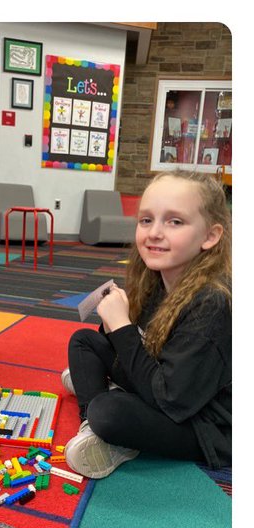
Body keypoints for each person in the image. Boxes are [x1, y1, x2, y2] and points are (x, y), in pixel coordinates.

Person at [62, 169, 231, 478]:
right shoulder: (157, 277)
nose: (154, 232)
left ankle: (102, 416)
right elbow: (134, 348)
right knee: (83, 341)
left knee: (109, 412)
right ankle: (92, 423)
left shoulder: (211, 301)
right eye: (146, 220)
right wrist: (116, 322)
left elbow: (170, 400)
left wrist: (122, 326)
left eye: (175, 221)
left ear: (210, 236)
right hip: (162, 381)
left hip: (205, 423)